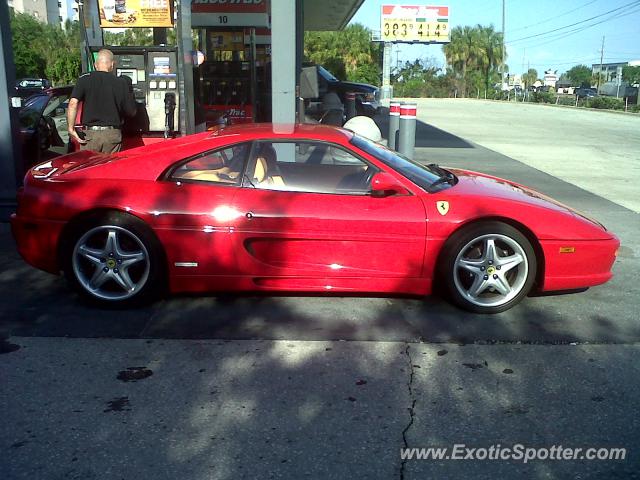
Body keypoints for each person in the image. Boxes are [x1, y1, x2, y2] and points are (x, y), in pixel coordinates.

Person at [67, 49, 137, 153]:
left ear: (95, 65)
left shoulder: (84, 79)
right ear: (112, 64)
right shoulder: (121, 83)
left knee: (90, 168)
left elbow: (73, 104)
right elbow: (131, 112)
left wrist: (71, 128)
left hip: (90, 135)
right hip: (112, 135)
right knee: (110, 168)